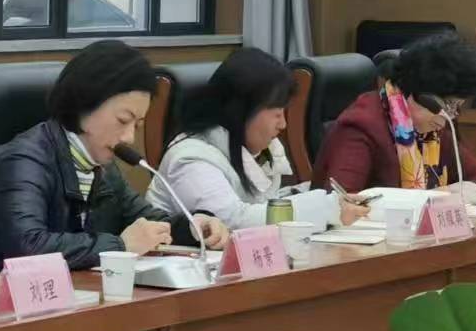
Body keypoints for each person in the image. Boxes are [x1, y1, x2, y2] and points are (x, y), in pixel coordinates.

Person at [0, 40, 231, 270]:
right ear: (85, 103)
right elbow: (28, 247)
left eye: (137, 125)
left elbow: (144, 220)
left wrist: (193, 226)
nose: (129, 138)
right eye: (123, 120)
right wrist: (121, 246)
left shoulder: (101, 166)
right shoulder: (22, 161)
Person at [152, 48, 368, 230]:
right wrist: (325, 208)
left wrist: (324, 199)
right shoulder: (190, 159)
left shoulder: (258, 149)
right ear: (242, 111)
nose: (283, 125)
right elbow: (233, 221)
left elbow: (264, 203)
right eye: (277, 114)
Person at [314, 32, 476, 202]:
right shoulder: (362, 125)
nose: (449, 116)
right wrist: (420, 201)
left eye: (456, 107)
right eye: (447, 105)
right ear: (418, 94)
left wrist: (440, 197)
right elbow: (342, 201)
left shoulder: (434, 127)